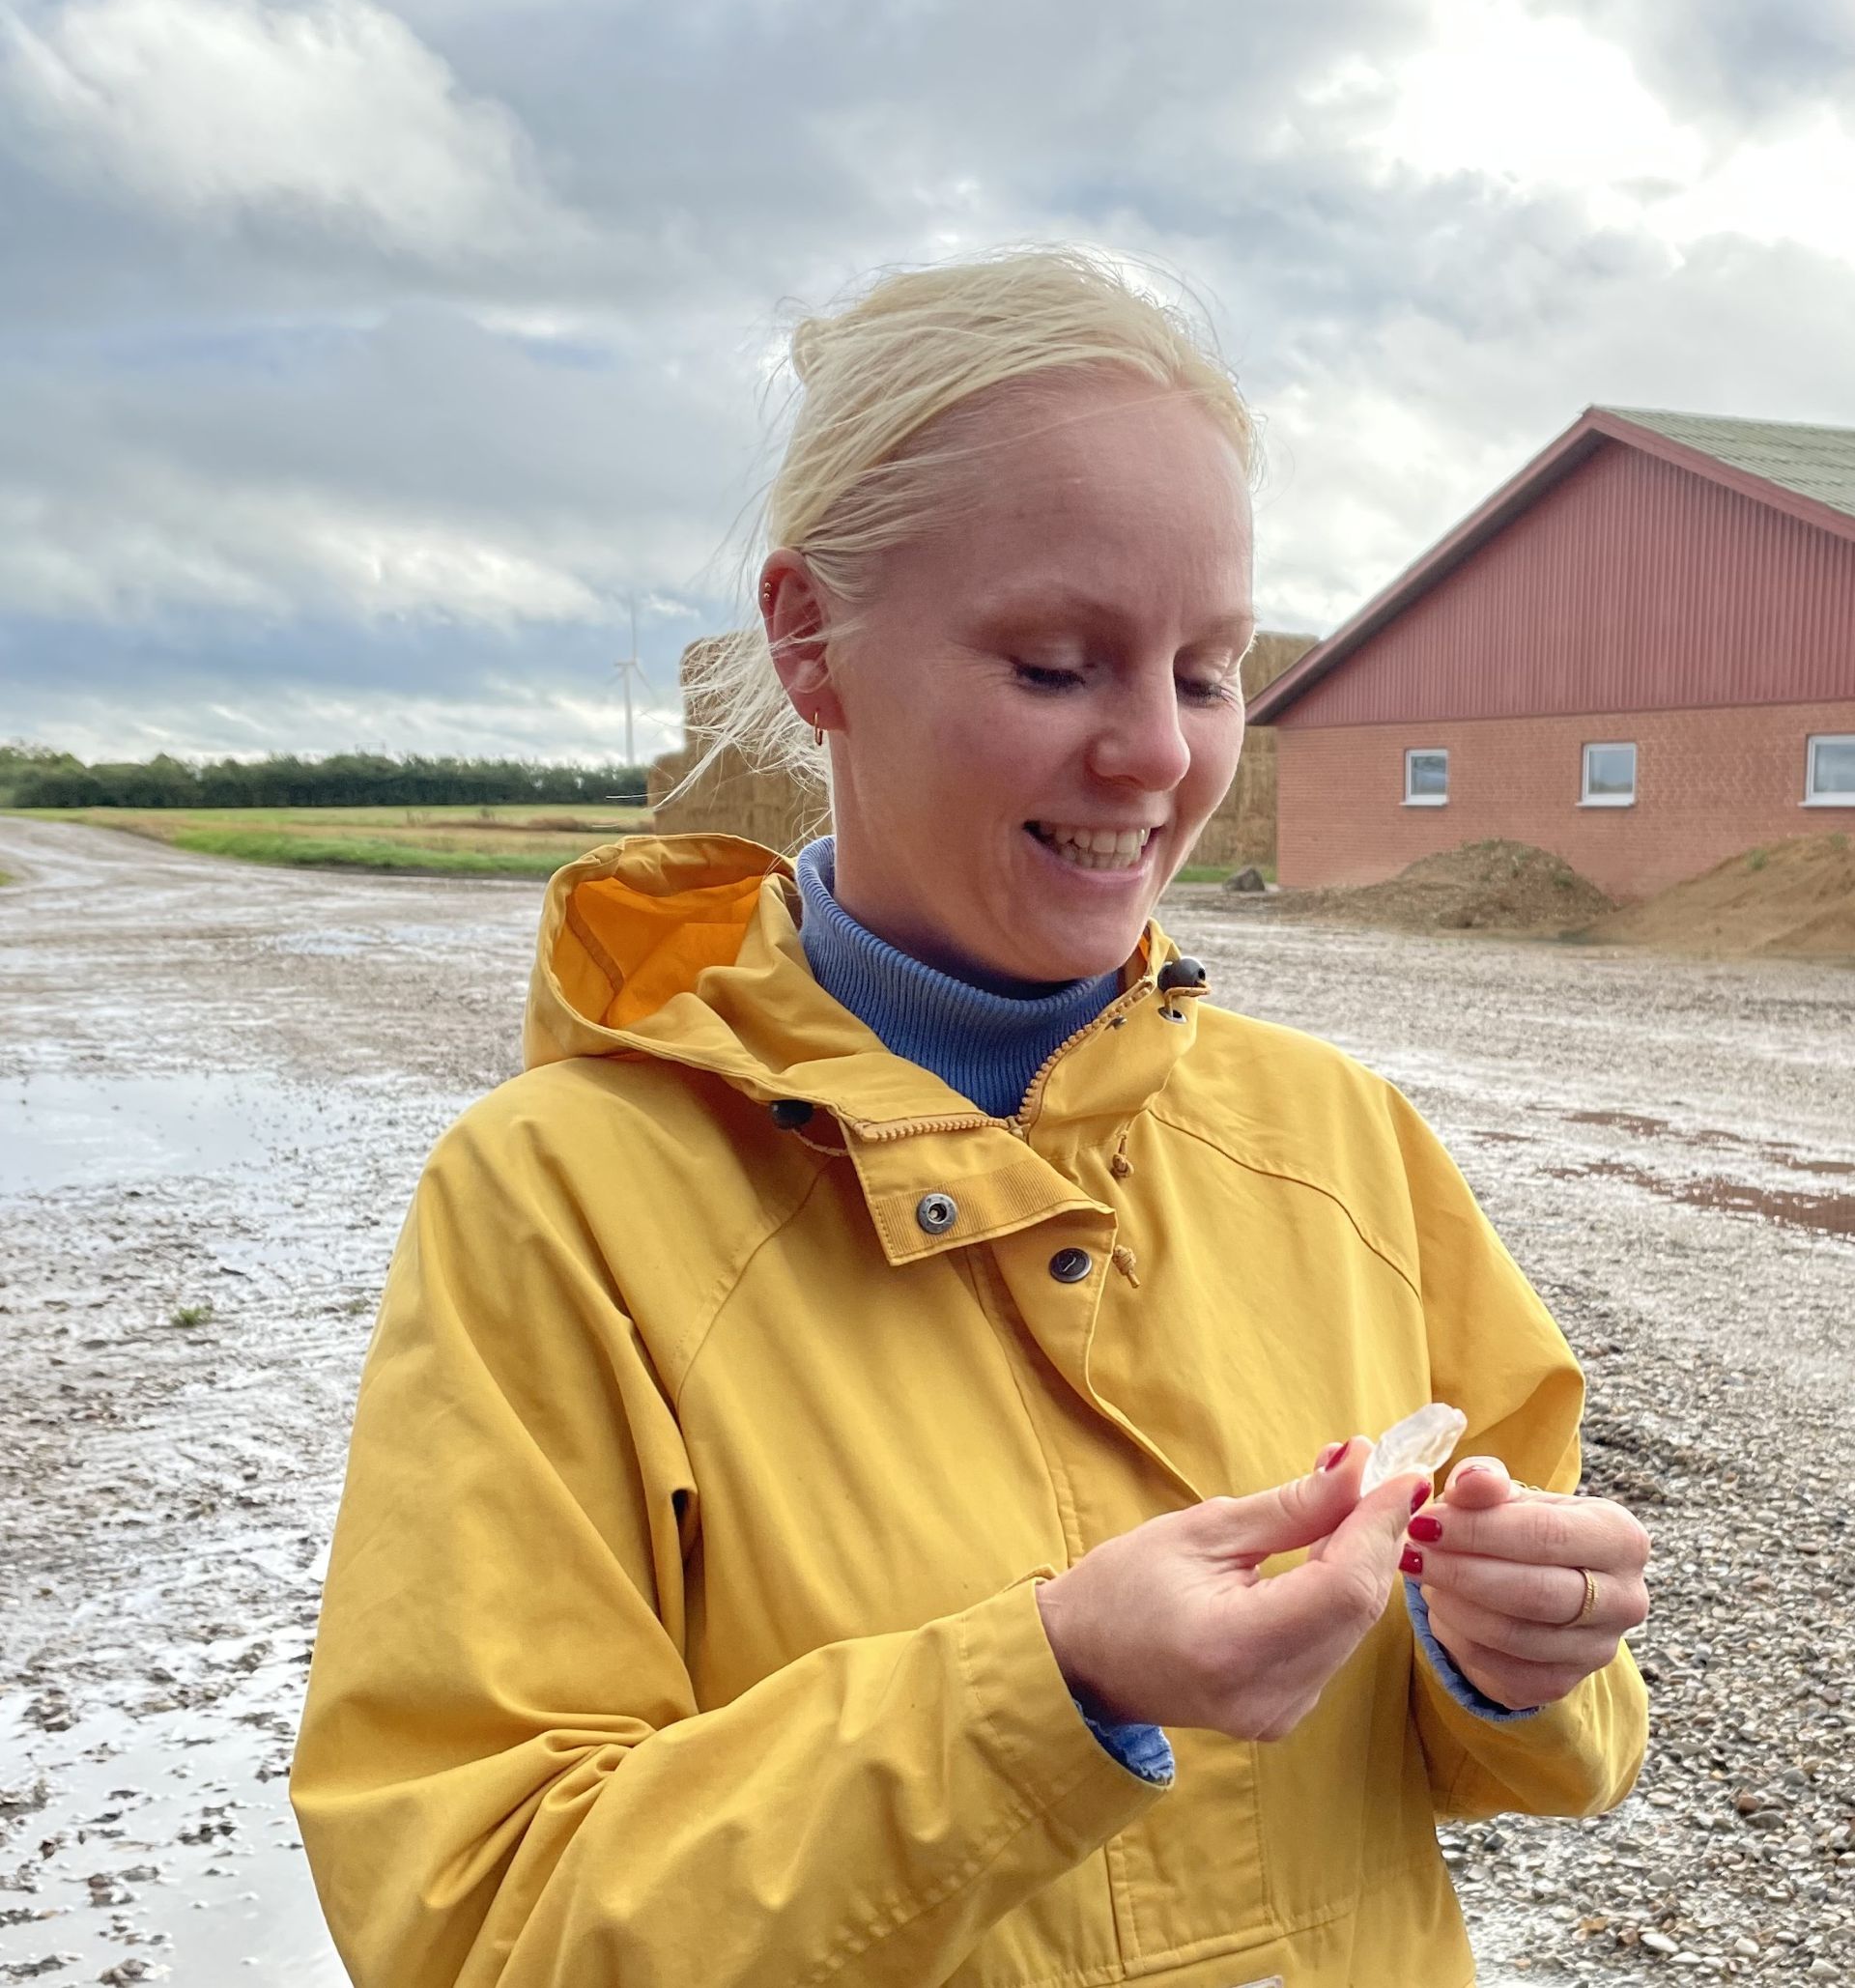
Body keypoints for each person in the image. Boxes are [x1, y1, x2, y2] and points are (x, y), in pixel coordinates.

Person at [291, 248, 1649, 1988]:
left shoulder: (1346, 1142)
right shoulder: (556, 1207)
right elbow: (476, 1919)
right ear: (810, 644)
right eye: (1058, 665)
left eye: (1211, 670)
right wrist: (1054, 1685)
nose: (1157, 755)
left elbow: (1551, 1732)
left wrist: (1522, 1655)